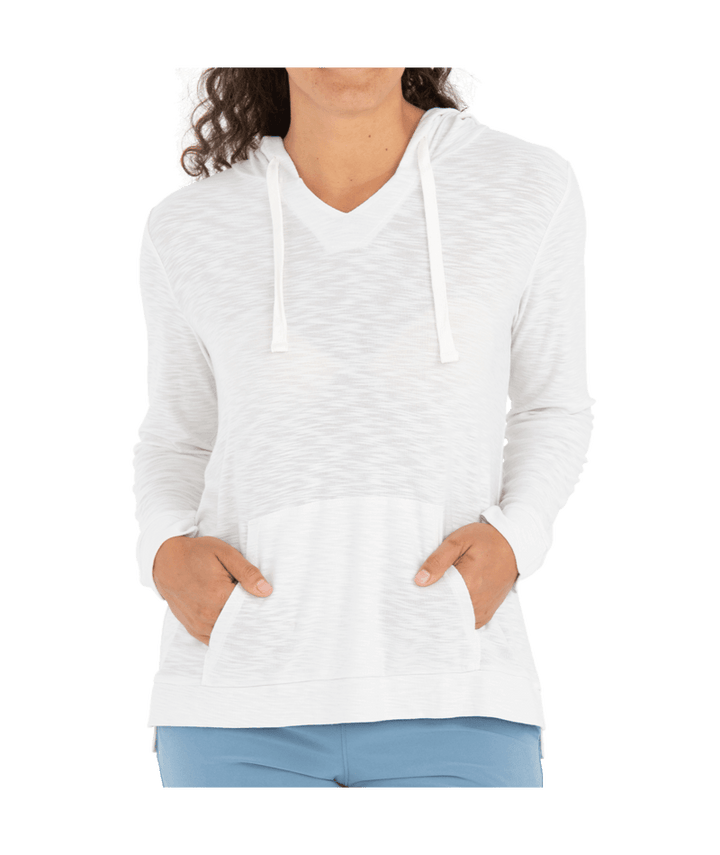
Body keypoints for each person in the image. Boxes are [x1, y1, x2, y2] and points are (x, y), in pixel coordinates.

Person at [130, 65, 597, 790]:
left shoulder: (527, 187)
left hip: (458, 689)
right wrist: (163, 552)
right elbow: (178, 436)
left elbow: (553, 406)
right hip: (234, 699)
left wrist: (517, 539)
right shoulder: (185, 227)